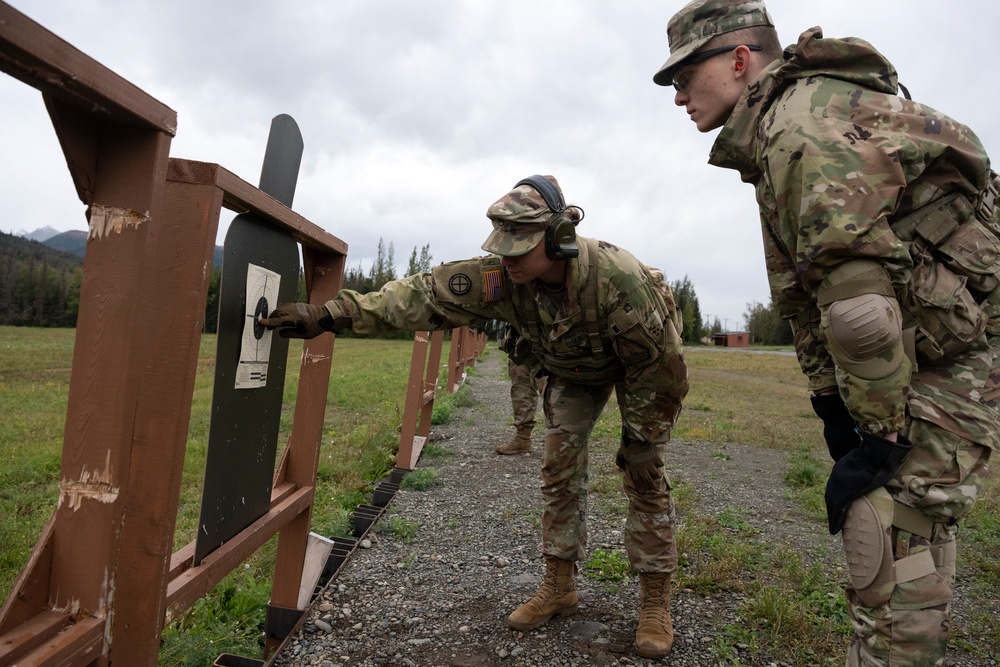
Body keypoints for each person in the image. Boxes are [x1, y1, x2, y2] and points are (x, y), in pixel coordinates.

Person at [652, 2, 1000, 665]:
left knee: (889, 525)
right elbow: (806, 292)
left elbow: (858, 309)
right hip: (937, 335)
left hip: (962, 340)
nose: (676, 97)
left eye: (682, 75)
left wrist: (879, 436)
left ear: (737, 59)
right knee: (908, 520)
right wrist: (831, 406)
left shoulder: (798, 131)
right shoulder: (784, 125)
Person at [260, 175, 690, 659]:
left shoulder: (619, 279)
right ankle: (560, 585)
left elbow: (664, 365)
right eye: (501, 249)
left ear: (558, 239)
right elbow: (424, 294)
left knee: (643, 470)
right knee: (559, 468)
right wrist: (331, 314)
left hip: (641, 368)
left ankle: (655, 600)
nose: (507, 260)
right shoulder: (502, 277)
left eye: (520, 249)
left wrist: (644, 437)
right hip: (572, 370)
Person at [495, 325, 546, 455]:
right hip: (521, 335)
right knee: (521, 384)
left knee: (553, 387)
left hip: (550, 335)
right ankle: (523, 438)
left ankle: (562, 440)